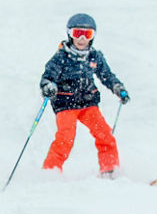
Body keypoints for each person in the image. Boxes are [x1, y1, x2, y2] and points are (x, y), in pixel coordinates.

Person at [39, 13, 130, 177]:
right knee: (65, 139)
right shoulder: (61, 57)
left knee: (105, 135)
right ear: (69, 34)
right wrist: (48, 86)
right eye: (77, 33)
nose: (81, 39)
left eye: (87, 34)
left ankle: (109, 169)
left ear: (93, 37)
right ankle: (50, 172)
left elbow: (107, 76)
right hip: (66, 104)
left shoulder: (95, 56)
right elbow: (47, 77)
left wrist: (118, 88)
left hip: (88, 104)